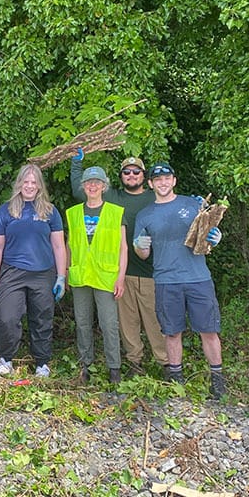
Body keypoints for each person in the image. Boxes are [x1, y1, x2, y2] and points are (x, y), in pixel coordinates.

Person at [132, 162, 227, 399]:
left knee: (209, 331)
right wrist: (139, 246)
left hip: (198, 278)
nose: (163, 183)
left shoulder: (192, 204)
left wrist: (216, 237)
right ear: (151, 184)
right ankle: (176, 382)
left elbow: (207, 233)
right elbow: (143, 254)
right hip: (165, 280)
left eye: (167, 178)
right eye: (158, 179)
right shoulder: (145, 215)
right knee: (172, 333)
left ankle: (218, 381)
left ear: (174, 181)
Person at [72, 152, 167, 377]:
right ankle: (134, 365)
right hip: (117, 273)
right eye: (126, 172)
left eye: (136, 171)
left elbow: (172, 205)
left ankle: (167, 365)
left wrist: (194, 207)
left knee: (154, 321)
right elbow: (81, 189)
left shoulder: (155, 197)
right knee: (127, 325)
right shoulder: (113, 197)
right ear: (121, 176)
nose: (131, 175)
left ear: (144, 176)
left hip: (149, 271)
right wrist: (76, 163)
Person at [0, 164, 67, 378]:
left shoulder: (50, 211)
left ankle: (42, 362)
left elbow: (59, 246)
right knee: (7, 318)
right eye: (26, 182)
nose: (30, 186)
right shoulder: (6, 210)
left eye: (34, 182)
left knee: (42, 318)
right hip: (12, 272)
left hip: (43, 273)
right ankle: (5, 359)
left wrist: (61, 276)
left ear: (40, 185)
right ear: (19, 184)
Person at [65, 166, 127, 384]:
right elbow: (69, 244)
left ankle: (114, 368)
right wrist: (66, 271)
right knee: (82, 323)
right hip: (80, 275)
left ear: (104, 186)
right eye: (89, 182)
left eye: (97, 182)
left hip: (106, 276)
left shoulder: (115, 212)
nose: (93, 186)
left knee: (109, 324)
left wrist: (120, 277)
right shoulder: (73, 213)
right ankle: (85, 365)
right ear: (83, 186)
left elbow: (123, 247)